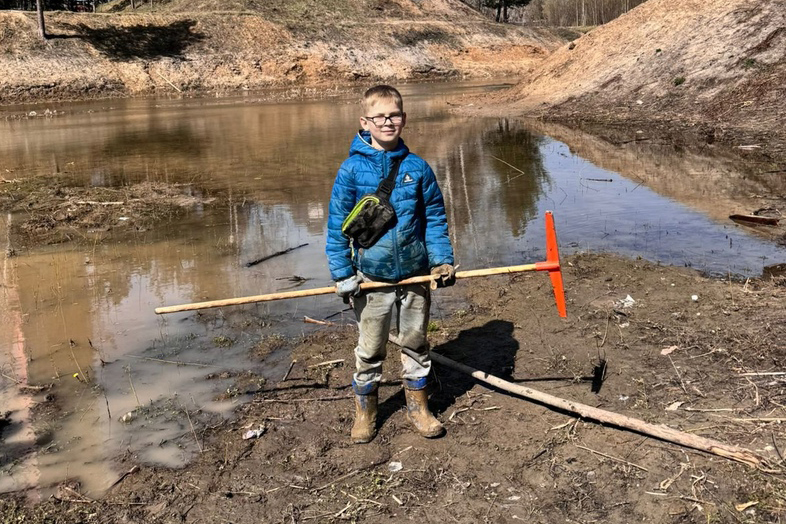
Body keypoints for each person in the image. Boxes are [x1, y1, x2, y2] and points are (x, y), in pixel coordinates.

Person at [326, 85, 456, 444]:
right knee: (370, 349)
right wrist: (342, 273)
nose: (388, 122)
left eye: (394, 115)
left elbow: (434, 220)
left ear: (404, 118)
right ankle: (365, 413)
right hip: (372, 278)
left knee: (415, 342)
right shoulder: (351, 170)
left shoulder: (418, 168)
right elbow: (338, 225)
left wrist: (442, 260)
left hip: (415, 274)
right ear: (364, 122)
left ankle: (419, 408)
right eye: (379, 116)